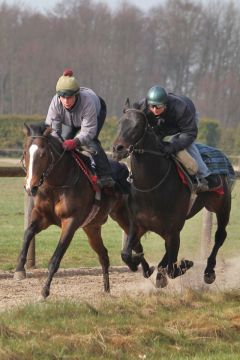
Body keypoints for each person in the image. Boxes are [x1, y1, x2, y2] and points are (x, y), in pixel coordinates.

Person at [137, 85, 221, 191]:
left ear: (165, 104)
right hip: (165, 121)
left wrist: (172, 147)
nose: (154, 110)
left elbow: (189, 133)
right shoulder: (143, 106)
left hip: (187, 121)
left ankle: (206, 175)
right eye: (152, 106)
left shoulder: (180, 109)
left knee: (180, 143)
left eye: (158, 107)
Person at [45, 69, 114, 188]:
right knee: (62, 143)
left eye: (70, 97)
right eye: (62, 97)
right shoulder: (55, 103)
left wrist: (75, 141)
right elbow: (53, 131)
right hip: (72, 119)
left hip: (96, 111)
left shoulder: (87, 102)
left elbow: (88, 132)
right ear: (58, 96)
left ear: (76, 95)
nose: (66, 101)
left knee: (91, 142)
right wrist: (61, 142)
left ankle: (106, 175)